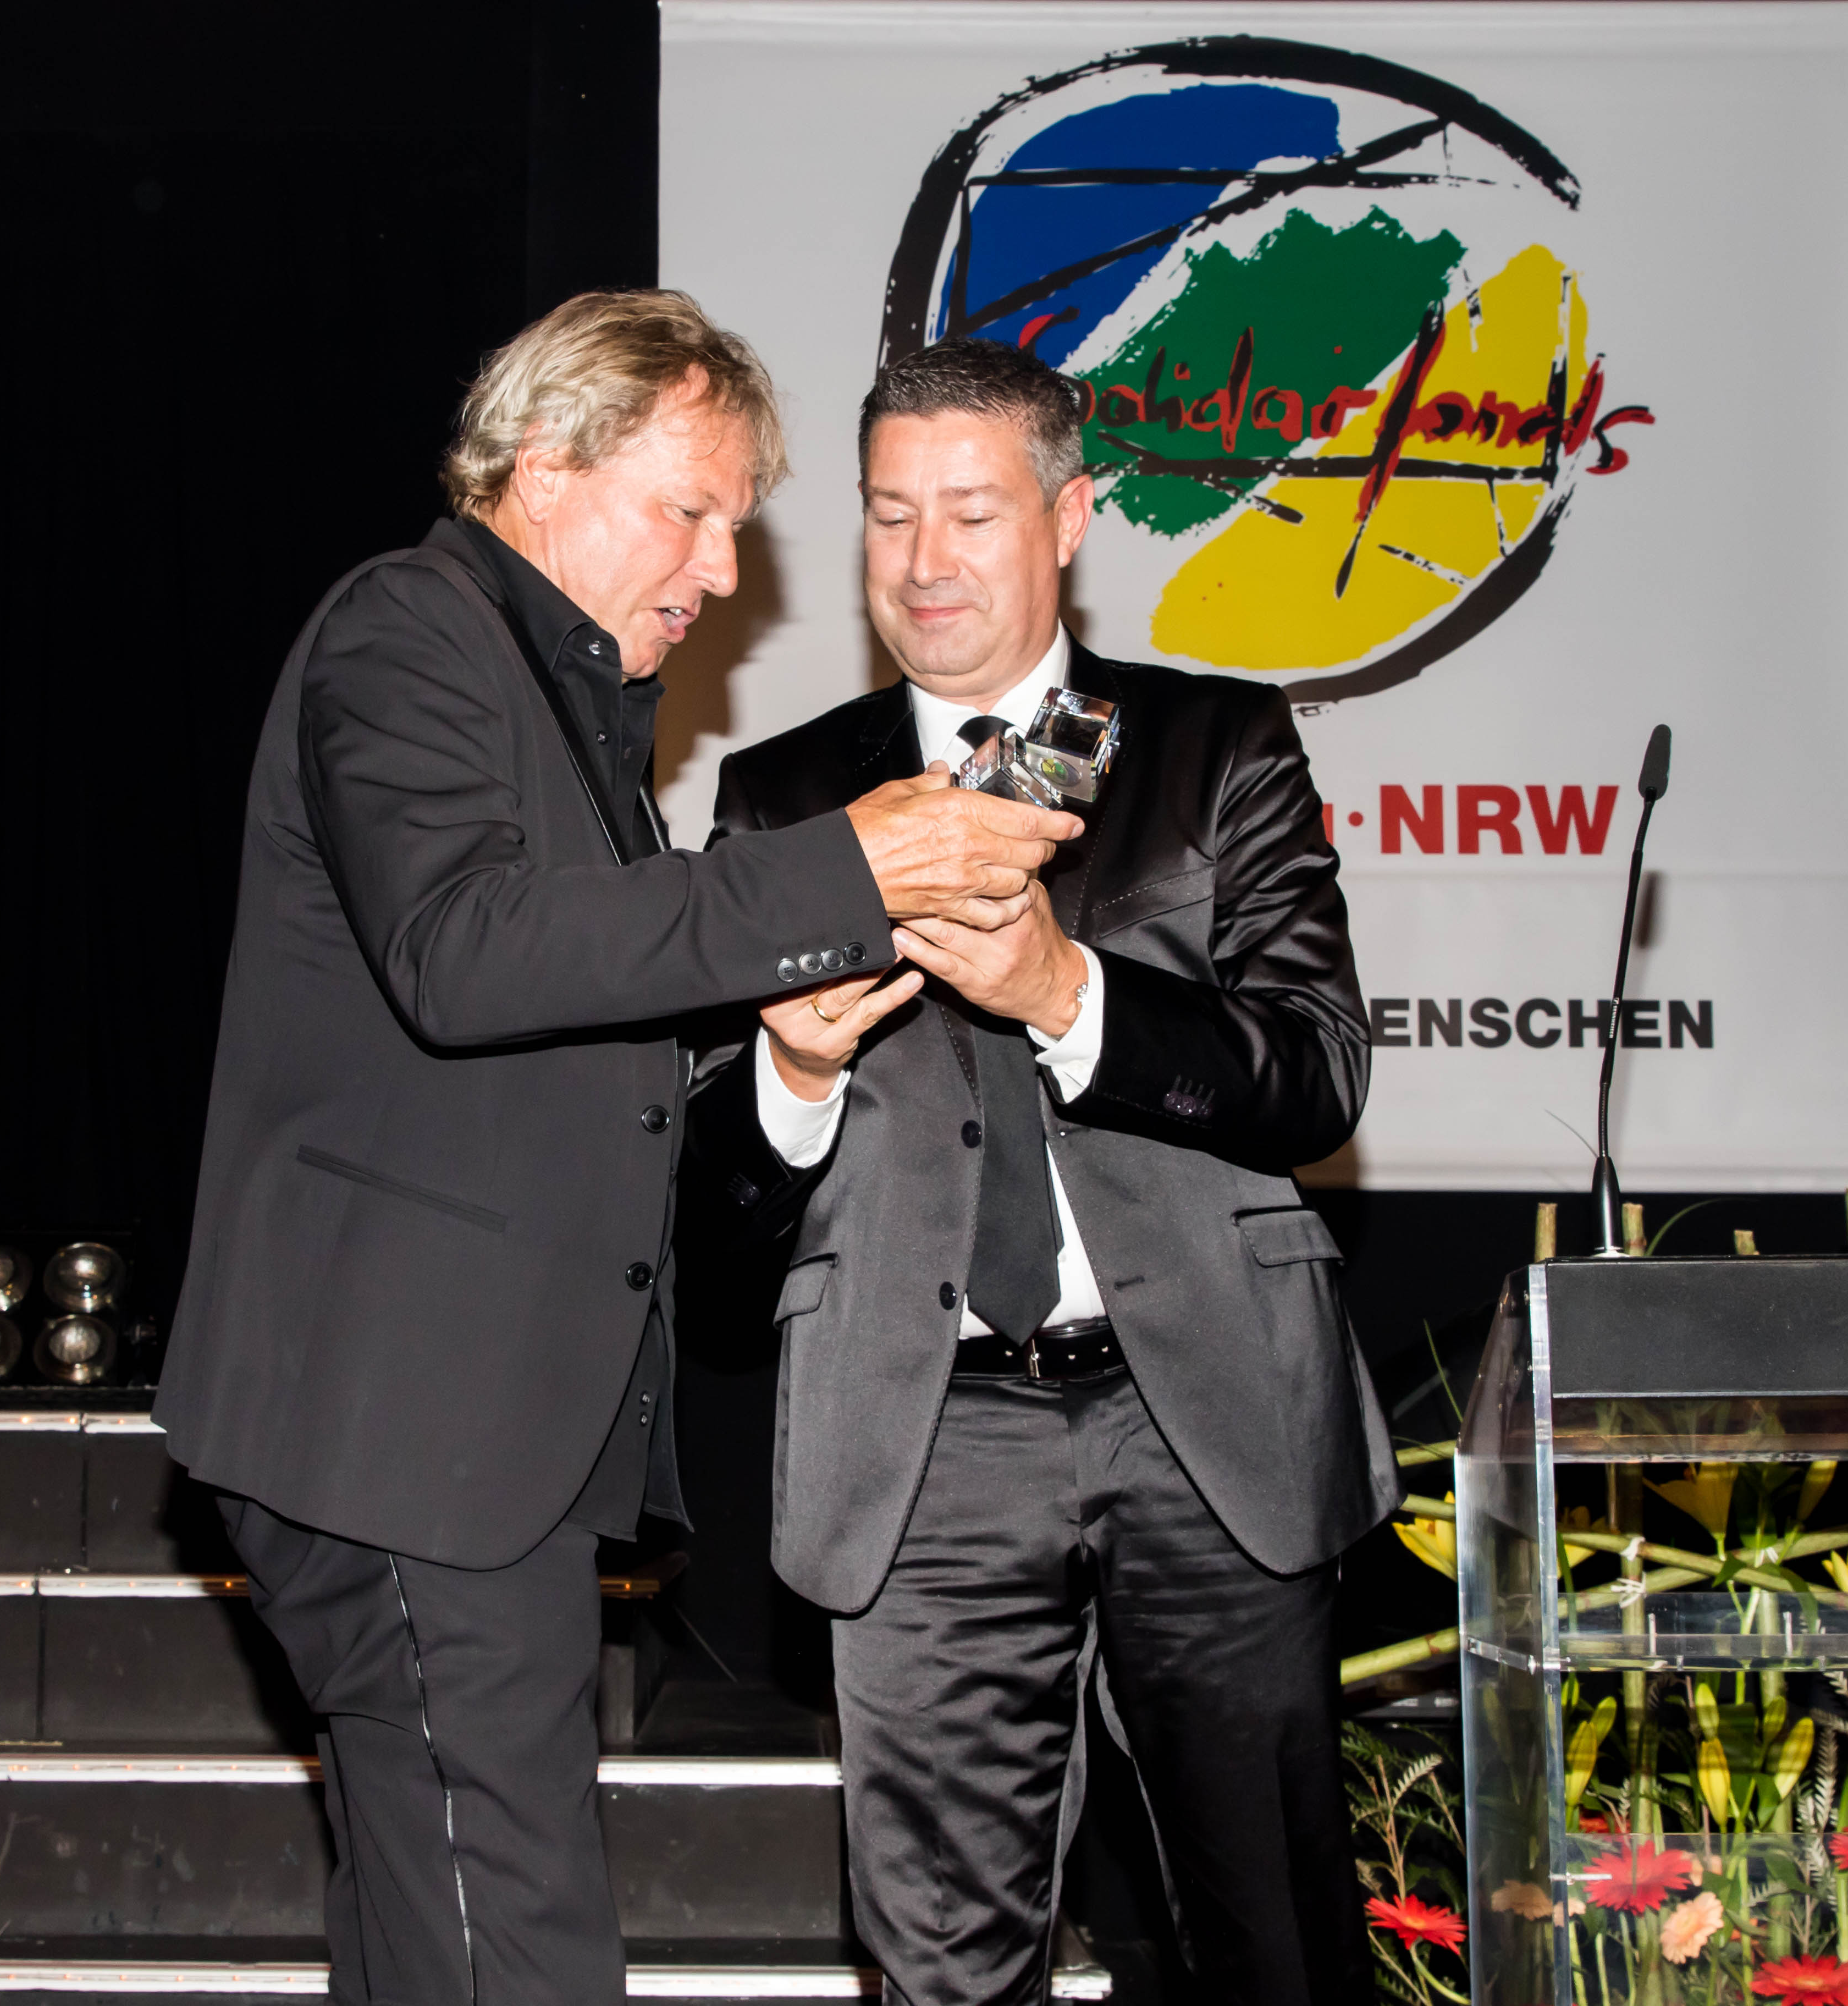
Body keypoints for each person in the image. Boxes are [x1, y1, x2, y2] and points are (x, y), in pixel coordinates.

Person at [154, 293, 1080, 2006]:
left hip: (454, 1430)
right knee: (515, 1939)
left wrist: (783, 1045)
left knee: (436, 1923)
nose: (722, 571)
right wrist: (846, 868)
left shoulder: (563, 698)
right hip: (403, 1421)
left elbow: (568, 1030)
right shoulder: (409, 631)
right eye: (692, 510)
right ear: (544, 464)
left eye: (736, 525)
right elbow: (463, 951)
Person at [695, 337, 1399, 2006]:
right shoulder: (789, 798)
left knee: (1274, 1946)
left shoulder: (1211, 745)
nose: (924, 560)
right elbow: (708, 1207)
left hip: (1206, 1416)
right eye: (888, 516)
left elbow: (1318, 1076)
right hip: (924, 1436)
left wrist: (1067, 995)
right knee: (942, 1968)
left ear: (1071, 518)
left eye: (971, 513)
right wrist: (793, 1073)